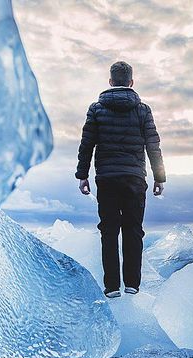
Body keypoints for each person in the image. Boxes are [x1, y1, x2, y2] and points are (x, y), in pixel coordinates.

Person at [76, 60, 166, 298]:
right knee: (133, 230)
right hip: (135, 179)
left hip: (106, 178)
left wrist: (82, 175)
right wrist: (159, 177)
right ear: (131, 82)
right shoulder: (143, 110)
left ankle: (112, 286)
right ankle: (132, 284)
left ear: (110, 81)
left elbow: (87, 145)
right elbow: (153, 145)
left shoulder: (96, 109)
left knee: (108, 231)